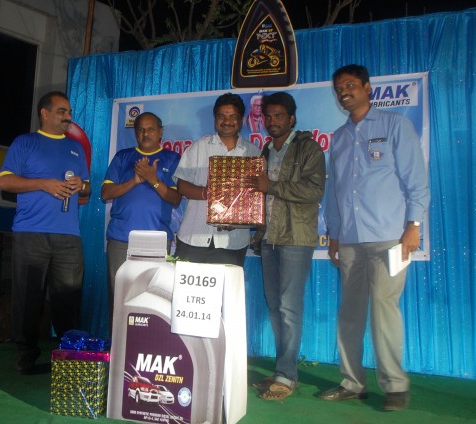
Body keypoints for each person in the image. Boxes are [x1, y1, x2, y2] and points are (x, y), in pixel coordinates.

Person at [320, 64, 429, 410]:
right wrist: (333, 236)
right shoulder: (339, 138)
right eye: (339, 88)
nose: (344, 92)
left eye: (351, 85)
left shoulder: (395, 125)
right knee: (350, 314)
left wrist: (414, 225)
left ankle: (395, 387)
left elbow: (416, 180)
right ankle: (352, 382)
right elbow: (335, 192)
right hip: (350, 240)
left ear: (368, 88)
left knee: (384, 310)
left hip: (389, 238)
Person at [0, 91, 91, 374]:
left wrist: (81, 186)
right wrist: (43, 184)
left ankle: (68, 356)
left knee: (68, 299)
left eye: (69, 112)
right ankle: (26, 354)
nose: (68, 116)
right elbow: (5, 182)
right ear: (45, 113)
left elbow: (87, 190)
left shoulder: (75, 148)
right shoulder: (25, 142)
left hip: (68, 236)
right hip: (31, 233)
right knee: (28, 298)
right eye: (62, 111)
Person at [247, 92, 326, 400]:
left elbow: (314, 190)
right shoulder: (265, 151)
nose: (272, 121)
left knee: (289, 307)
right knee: (275, 307)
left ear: (291, 118)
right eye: (268, 116)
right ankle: (283, 369)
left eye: (278, 115)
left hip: (295, 237)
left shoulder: (309, 148)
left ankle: (287, 375)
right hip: (269, 238)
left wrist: (272, 186)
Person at [101, 112, 181, 325]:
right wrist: (135, 180)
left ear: (160, 132)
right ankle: (118, 344)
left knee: (154, 298)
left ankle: (147, 342)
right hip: (121, 238)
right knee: (119, 296)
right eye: (141, 130)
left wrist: (152, 179)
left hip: (156, 240)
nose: (145, 134)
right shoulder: (123, 157)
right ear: (136, 133)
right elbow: (105, 193)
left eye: (150, 129)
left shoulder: (172, 159)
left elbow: (175, 198)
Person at [173, 92, 260, 267]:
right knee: (186, 285)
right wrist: (212, 193)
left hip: (232, 241)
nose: (227, 121)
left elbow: (256, 195)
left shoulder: (252, 152)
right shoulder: (199, 147)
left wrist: (237, 217)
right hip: (193, 237)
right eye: (221, 116)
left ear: (241, 119)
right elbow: (181, 185)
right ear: (215, 119)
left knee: (226, 286)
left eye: (232, 116)